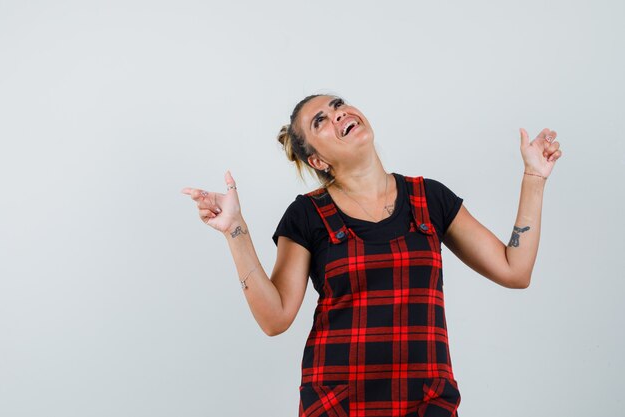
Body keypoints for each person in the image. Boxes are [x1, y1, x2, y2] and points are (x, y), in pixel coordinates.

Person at [181, 94, 562, 417]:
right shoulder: (306, 215)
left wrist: (534, 178)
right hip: (338, 405)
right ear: (317, 160)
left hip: (426, 403)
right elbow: (275, 318)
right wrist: (235, 229)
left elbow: (516, 271)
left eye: (338, 105)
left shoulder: (430, 198)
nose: (338, 114)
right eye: (321, 121)